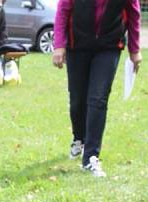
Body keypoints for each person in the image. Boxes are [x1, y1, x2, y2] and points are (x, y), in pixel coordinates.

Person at [53, 0, 142, 177]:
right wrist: (59, 45)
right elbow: (63, 11)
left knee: (98, 98)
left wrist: (135, 49)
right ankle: (79, 138)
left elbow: (133, 14)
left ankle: (91, 156)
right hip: (77, 45)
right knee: (78, 99)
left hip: (109, 46)